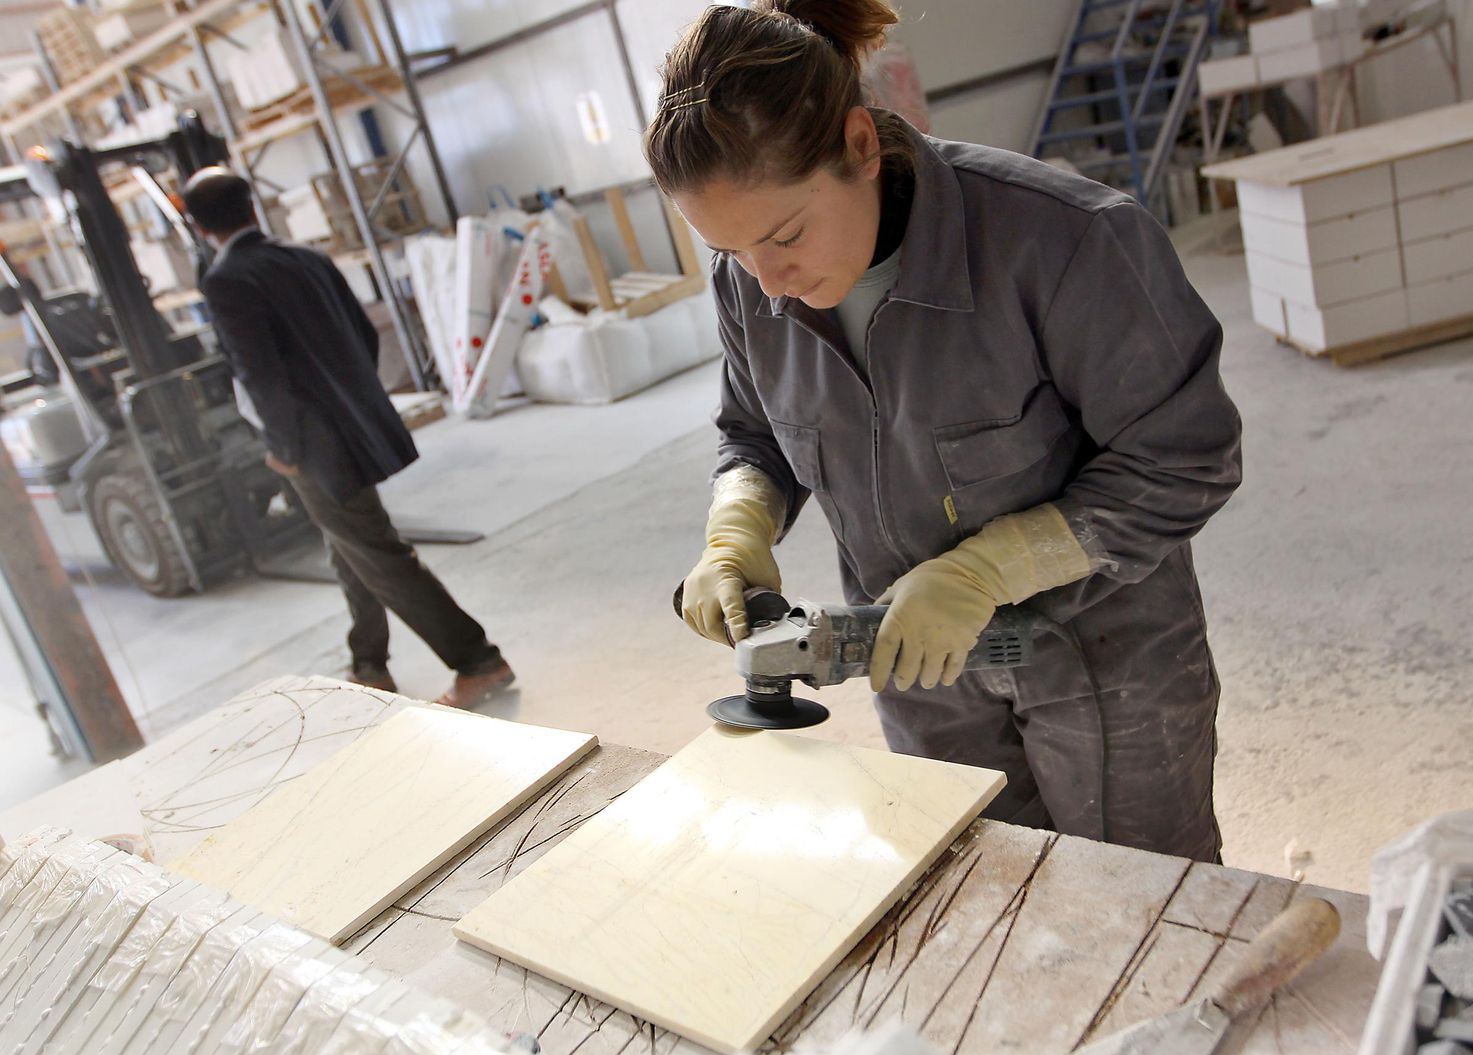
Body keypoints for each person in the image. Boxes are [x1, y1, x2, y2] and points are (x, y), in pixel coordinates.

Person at [651, 0, 1242, 861]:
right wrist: (736, 528)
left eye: (783, 236)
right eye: (732, 253)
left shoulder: (1065, 242)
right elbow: (756, 428)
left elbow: (1187, 456)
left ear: (860, 146)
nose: (767, 285)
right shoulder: (753, 280)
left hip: (1106, 659)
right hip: (922, 672)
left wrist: (987, 571)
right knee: (982, 897)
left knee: (1147, 905)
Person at [181, 167, 515, 709]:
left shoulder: (226, 280)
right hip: (353, 423)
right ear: (253, 206)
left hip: (313, 443)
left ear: (197, 225)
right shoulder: (306, 258)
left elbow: (259, 373)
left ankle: (478, 660)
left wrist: (284, 449)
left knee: (377, 552)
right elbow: (363, 334)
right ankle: (370, 662)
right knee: (351, 542)